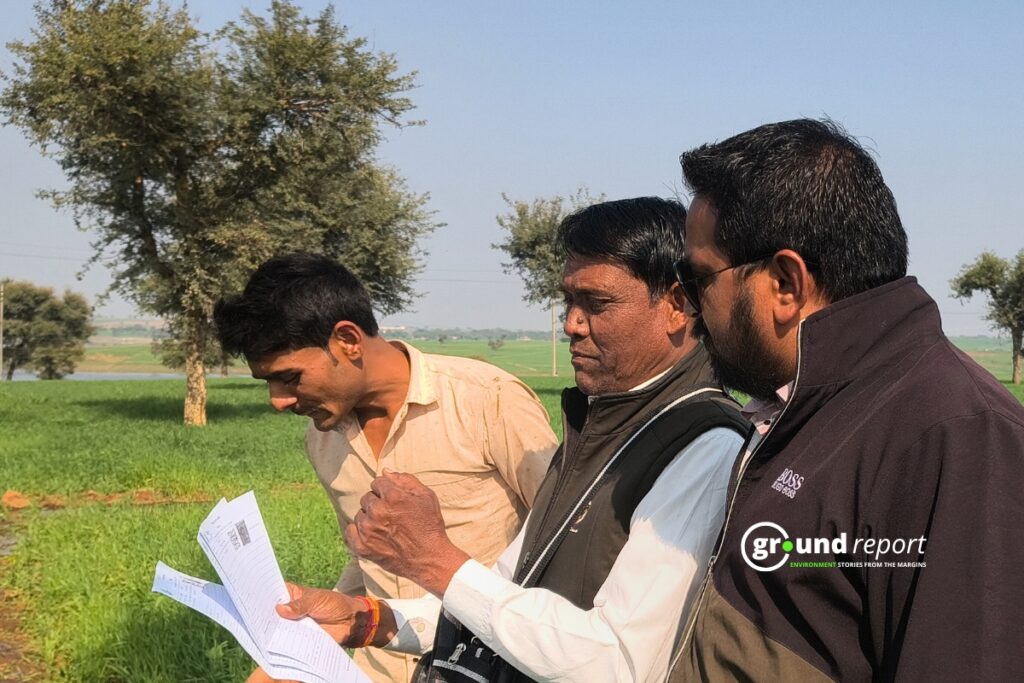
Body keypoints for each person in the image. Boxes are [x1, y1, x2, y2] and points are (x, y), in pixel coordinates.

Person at [272, 197, 752, 683]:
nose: (572, 324)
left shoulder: (706, 447)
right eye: (569, 301)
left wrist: (435, 560)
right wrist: (369, 620)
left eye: (596, 303)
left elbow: (616, 662)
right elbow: (506, 596)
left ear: (676, 306)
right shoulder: (605, 428)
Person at [668, 118, 1024, 681]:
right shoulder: (815, 405)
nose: (691, 307)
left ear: (785, 284)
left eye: (698, 280)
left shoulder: (959, 436)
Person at [213, 253, 559, 683]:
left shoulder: (488, 400)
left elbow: (567, 542)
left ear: (348, 340)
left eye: (290, 377)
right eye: (268, 382)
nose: (278, 401)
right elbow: (368, 562)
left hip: (484, 664)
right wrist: (302, 643)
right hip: (378, 664)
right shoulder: (322, 438)